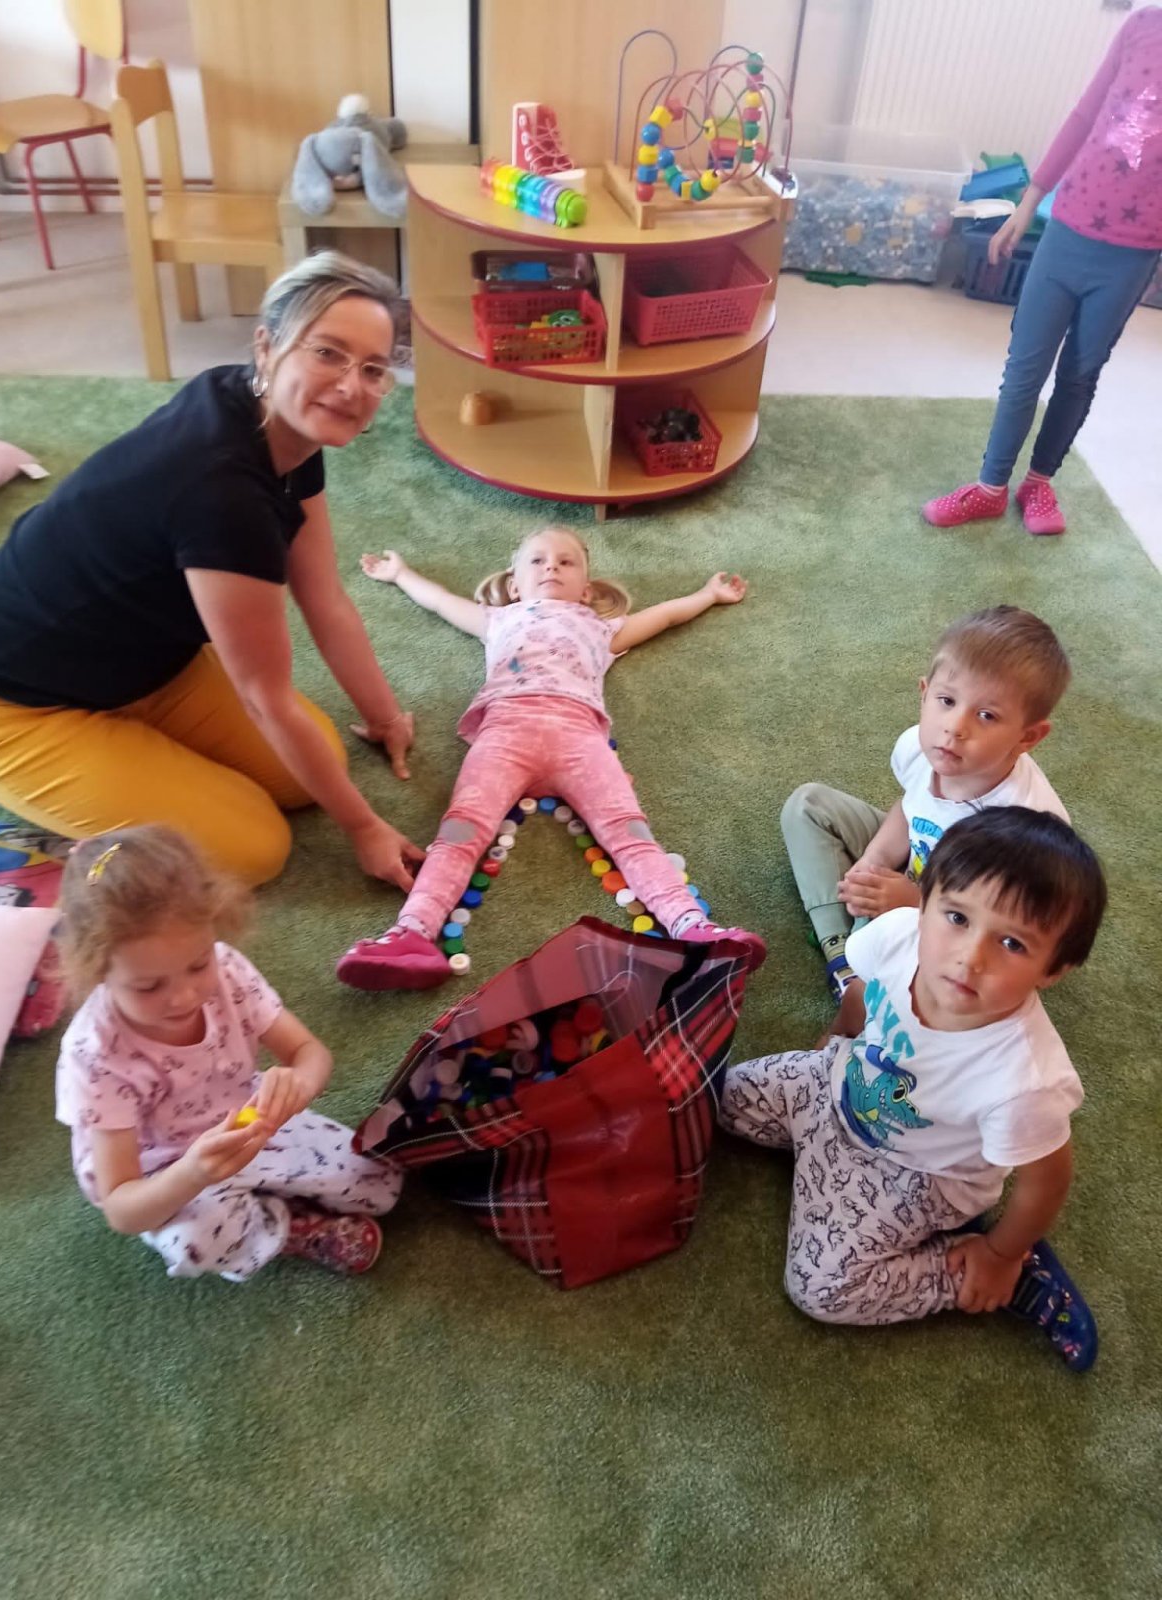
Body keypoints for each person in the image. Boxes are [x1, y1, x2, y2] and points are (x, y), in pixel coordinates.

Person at [0, 252, 424, 890]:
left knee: (308, 773)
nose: (351, 386)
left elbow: (324, 597)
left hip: (151, 663)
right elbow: (264, 699)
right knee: (254, 848)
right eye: (327, 353)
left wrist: (384, 716)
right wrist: (366, 827)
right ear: (267, 347)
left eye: (373, 369)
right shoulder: (222, 492)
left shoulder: (278, 423)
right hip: (13, 702)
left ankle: (138, 748)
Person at [721, 808, 1106, 1372]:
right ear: (923, 904)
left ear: (1055, 970)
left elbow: (1047, 1179)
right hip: (835, 1085)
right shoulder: (899, 935)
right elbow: (862, 994)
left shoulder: (1026, 1078)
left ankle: (998, 1276)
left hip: (916, 1177)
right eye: (957, 917)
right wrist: (835, 1040)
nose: (970, 957)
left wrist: (1000, 1254)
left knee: (820, 1289)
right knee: (718, 1095)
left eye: (1012, 943)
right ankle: (812, 1157)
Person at [336, 526, 764, 990]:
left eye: (565, 561)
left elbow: (662, 617)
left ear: (587, 590)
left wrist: (707, 595)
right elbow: (440, 601)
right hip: (505, 733)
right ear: (515, 584)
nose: (551, 567)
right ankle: (412, 933)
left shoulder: (600, 627)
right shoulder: (498, 618)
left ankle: (691, 927)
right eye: (537, 560)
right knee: (460, 830)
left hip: (579, 738)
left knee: (631, 833)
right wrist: (400, 574)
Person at [55, 825, 402, 1281]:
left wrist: (297, 1087)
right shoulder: (96, 1055)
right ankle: (288, 1229)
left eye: (198, 964)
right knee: (200, 1240)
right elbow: (123, 1209)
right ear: (96, 970)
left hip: (246, 1121)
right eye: (148, 986)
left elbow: (308, 1052)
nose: (184, 997)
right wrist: (194, 1173)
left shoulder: (228, 971)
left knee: (383, 1183)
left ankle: (266, 1193)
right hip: (166, 1169)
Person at [923, 5, 1162, 536]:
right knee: (1025, 369)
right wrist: (1027, 205)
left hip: (1134, 253)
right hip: (1068, 229)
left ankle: (1038, 482)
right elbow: (1083, 117)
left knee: (1080, 372)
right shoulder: (1142, 25)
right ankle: (990, 487)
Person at [780, 606, 1069, 1002]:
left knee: (930, 957)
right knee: (808, 806)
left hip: (971, 917)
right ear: (924, 692)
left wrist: (915, 902)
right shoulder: (921, 747)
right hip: (920, 864)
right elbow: (910, 807)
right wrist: (875, 858)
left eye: (986, 715)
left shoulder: (1024, 829)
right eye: (946, 700)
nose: (955, 727)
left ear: (1027, 737)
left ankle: (863, 969)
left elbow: (1004, 930)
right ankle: (841, 956)